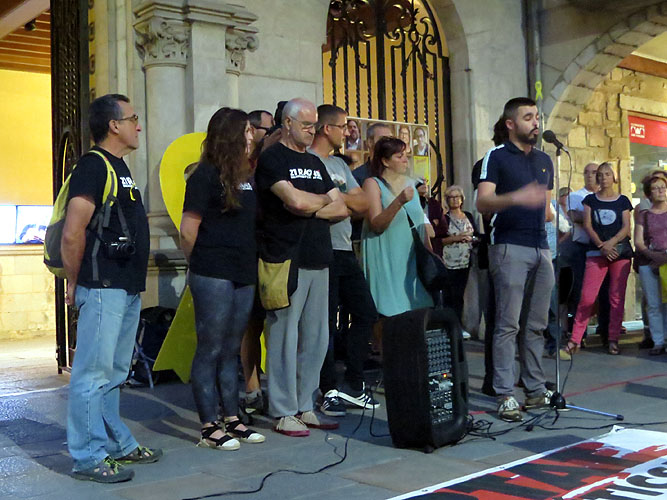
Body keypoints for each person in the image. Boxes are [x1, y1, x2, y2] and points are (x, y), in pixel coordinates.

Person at [61, 94, 160, 482]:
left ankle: (117, 443)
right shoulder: (93, 166)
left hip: (125, 287)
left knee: (115, 372)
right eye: (133, 118)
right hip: (102, 285)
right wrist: (74, 282)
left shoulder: (120, 167)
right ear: (114, 125)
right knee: (92, 373)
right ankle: (88, 457)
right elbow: (73, 232)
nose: (139, 125)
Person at [255, 97, 348, 437]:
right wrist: (319, 200)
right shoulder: (273, 159)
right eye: (307, 125)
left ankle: (306, 403)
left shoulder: (314, 162)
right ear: (287, 123)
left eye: (314, 125)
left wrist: (311, 203)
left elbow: (341, 208)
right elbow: (292, 200)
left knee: (316, 337)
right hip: (285, 258)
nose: (312, 131)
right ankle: (283, 409)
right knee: (283, 336)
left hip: (319, 256)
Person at [180, 107, 266, 450]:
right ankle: (208, 427)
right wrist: (199, 264)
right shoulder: (203, 176)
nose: (251, 136)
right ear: (230, 134)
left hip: (243, 269)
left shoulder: (245, 175)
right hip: (212, 270)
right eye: (246, 131)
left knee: (232, 348)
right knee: (211, 347)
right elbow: (188, 231)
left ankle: (233, 418)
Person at [476, 97, 554, 422]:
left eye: (537, 117)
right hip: (508, 245)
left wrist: (549, 213)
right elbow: (482, 202)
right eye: (528, 117)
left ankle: (535, 389)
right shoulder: (496, 156)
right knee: (508, 324)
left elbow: (546, 207)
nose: (535, 123)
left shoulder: (544, 160)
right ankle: (505, 393)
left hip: (541, 246)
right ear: (510, 124)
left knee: (536, 325)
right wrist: (516, 197)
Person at [309, 104, 379, 416]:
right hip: (320, 250)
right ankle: (328, 389)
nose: (348, 132)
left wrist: (336, 199)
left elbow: (364, 202)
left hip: (345, 249)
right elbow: (311, 205)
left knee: (365, 312)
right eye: (343, 126)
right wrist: (339, 201)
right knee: (325, 322)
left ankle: (354, 382)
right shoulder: (308, 161)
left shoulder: (339, 164)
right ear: (327, 128)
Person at [564, 163, 633, 356]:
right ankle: (575, 339)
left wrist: (611, 243)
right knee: (587, 297)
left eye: (607, 174)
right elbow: (587, 225)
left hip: (619, 253)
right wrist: (602, 246)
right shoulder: (590, 200)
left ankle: (613, 338)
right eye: (600, 175)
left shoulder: (623, 200)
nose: (603, 178)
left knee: (616, 298)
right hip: (596, 252)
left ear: (614, 177)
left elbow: (626, 227)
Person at [362, 136, 434, 316]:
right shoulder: (373, 184)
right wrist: (399, 201)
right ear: (385, 161)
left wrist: (430, 256)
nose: (405, 160)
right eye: (399, 156)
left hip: (411, 262)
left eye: (406, 155)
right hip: (386, 260)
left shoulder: (411, 185)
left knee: (417, 312)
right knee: (389, 315)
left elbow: (420, 224)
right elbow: (376, 224)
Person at [561, 162, 610, 346]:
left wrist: (588, 216)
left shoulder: (608, 196)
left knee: (606, 291)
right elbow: (574, 216)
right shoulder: (575, 196)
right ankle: (577, 335)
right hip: (582, 249)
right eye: (586, 172)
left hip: (605, 248)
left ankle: (606, 332)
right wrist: (603, 216)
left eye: (594, 172)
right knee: (580, 291)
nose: (590, 175)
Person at [634, 174, 667, 355]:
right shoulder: (644, 215)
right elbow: (639, 241)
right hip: (649, 262)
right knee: (654, 304)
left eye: (663, 187)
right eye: (655, 188)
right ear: (649, 193)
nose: (660, 191)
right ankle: (658, 341)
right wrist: (653, 256)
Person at [439, 184, 477, 323]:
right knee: (450, 295)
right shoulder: (445, 218)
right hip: (449, 262)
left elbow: (477, 235)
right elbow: (439, 240)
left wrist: (472, 239)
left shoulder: (468, 216)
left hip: (466, 261)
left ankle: (459, 324)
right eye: (451, 197)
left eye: (457, 197)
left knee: (461, 294)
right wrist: (457, 238)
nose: (455, 200)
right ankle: (450, 324)